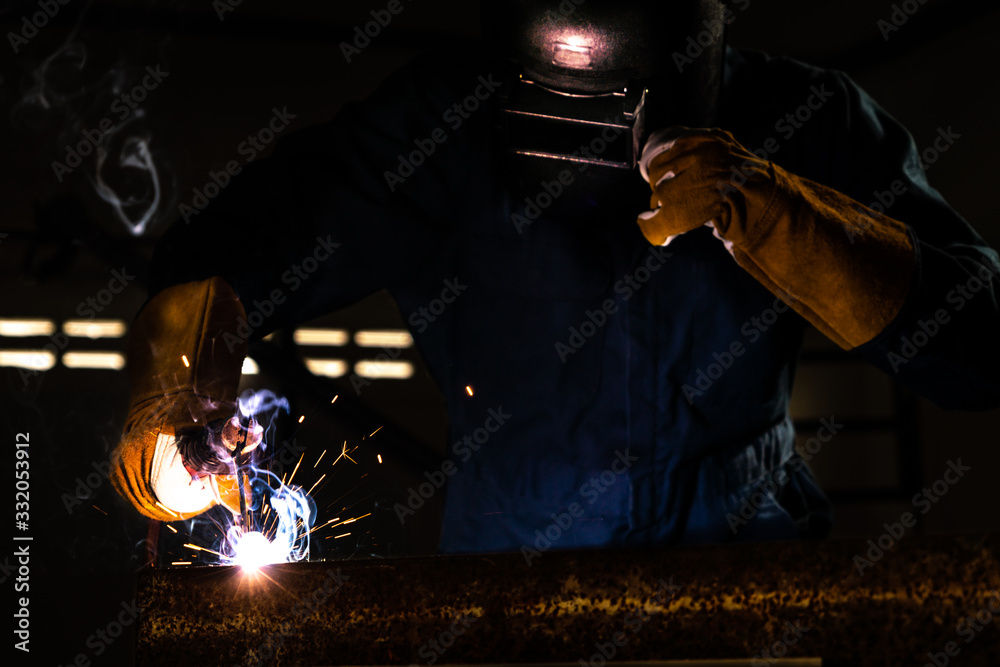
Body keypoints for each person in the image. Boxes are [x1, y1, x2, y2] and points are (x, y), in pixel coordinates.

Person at [111, 0, 1000, 553]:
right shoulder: (439, 133)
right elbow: (235, 241)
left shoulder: (804, 118)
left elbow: (980, 343)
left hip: (742, 574)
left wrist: (778, 211)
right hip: (507, 590)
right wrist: (175, 400)